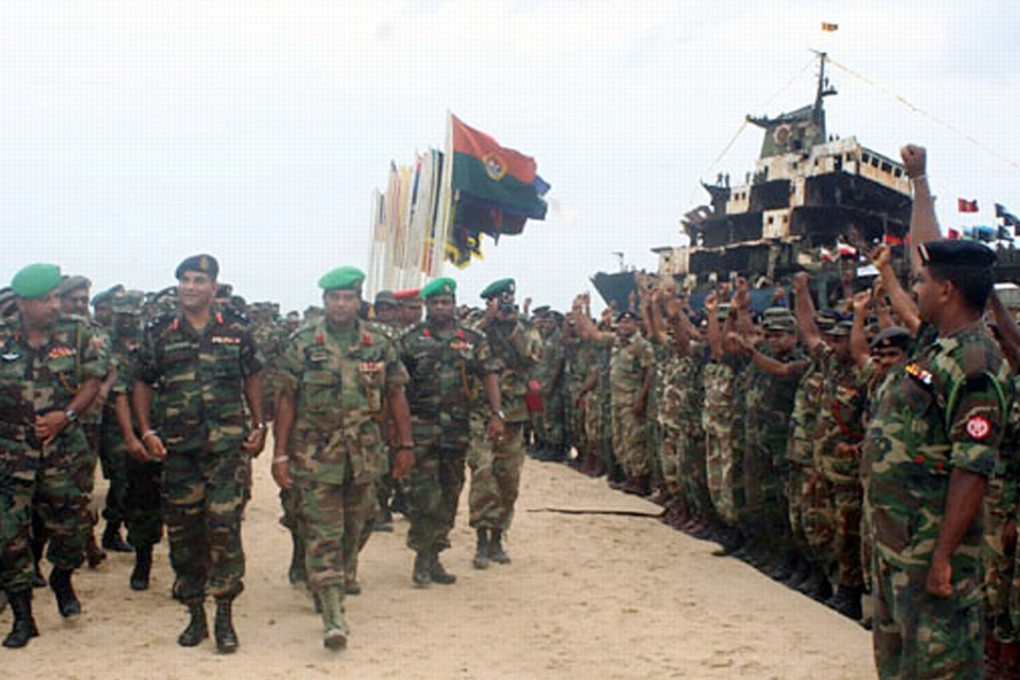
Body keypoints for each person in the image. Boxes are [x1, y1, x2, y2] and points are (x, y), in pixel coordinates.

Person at [864, 145, 1011, 678]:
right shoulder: (935, 342)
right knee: (902, 665)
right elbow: (925, 250)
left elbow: (972, 469)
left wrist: (944, 556)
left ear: (947, 290)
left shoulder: (976, 364)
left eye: (923, 281)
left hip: (931, 556)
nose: (915, 283)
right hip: (900, 549)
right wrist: (919, 180)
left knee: (941, 667)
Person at [271, 266, 412, 650]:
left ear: (358, 301)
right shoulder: (303, 343)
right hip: (315, 455)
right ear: (324, 302)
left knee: (359, 525)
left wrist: (405, 446)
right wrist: (279, 454)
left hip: (364, 455)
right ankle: (334, 614)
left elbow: (396, 395)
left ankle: (339, 575)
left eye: (348, 298)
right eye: (334, 298)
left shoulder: (378, 343)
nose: (340, 304)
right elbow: (285, 399)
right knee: (324, 531)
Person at [132, 254, 266, 653]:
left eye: (198, 280)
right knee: (185, 534)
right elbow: (140, 380)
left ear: (213, 288)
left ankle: (225, 616)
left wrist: (259, 425)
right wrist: (145, 430)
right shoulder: (160, 333)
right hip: (179, 452)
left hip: (226, 450)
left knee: (225, 530)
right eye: (184, 280)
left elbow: (253, 375)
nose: (189, 286)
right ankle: (195, 615)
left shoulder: (237, 331)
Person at [0, 264, 105, 648]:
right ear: (23, 304)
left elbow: (94, 378)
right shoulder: (3, 338)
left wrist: (68, 415)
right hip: (10, 455)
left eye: (56, 296)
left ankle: (63, 577)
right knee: (9, 537)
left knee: (72, 528)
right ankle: (23, 616)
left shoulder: (77, 331)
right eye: (46, 299)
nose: (54, 305)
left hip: (63, 453)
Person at [398, 278, 502, 586]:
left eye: (447, 302)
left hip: (457, 430)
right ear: (428, 306)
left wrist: (497, 414)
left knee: (450, 492)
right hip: (421, 428)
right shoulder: (410, 340)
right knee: (422, 495)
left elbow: (489, 374)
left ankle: (436, 554)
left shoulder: (472, 338)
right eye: (436, 303)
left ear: (454, 304)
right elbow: (395, 387)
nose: (442, 308)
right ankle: (421, 556)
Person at [469, 278, 542, 568]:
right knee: (483, 476)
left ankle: (498, 536)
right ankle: (481, 539)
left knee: (508, 479)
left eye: (508, 298)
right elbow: (461, 352)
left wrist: (513, 328)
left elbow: (534, 355)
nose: (505, 304)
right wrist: (486, 322)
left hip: (514, 413)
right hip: (480, 412)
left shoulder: (524, 326)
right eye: (499, 300)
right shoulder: (475, 324)